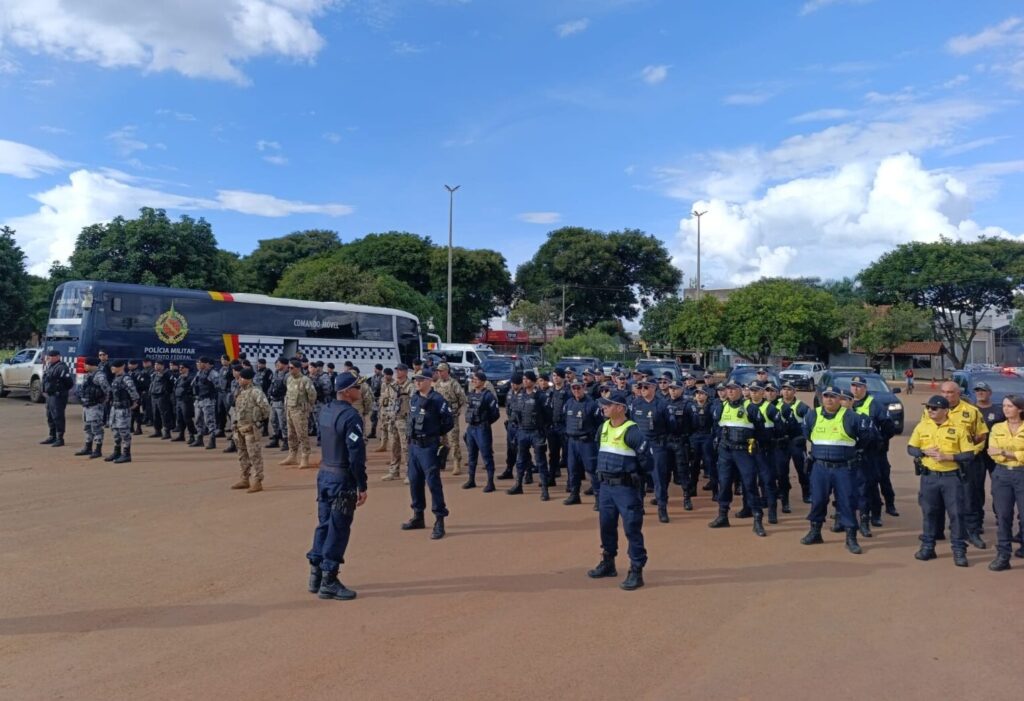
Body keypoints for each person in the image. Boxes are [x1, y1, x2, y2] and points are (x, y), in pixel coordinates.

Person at [307, 373, 369, 600]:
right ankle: (329, 580)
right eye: (356, 387)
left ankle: (315, 573)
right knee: (338, 528)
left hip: (325, 474)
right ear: (346, 391)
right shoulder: (351, 416)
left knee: (324, 524)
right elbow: (356, 455)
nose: (360, 391)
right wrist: (362, 484)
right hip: (341, 477)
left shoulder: (326, 410)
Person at [586, 389, 652, 591]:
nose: (603, 407)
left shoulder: (633, 431)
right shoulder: (603, 427)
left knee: (632, 528)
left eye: (608, 404)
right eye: (603, 404)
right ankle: (608, 562)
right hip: (606, 487)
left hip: (626, 488)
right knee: (606, 525)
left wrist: (634, 478)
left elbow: (647, 462)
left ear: (620, 408)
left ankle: (636, 569)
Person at [800, 386, 872, 554]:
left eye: (833, 396)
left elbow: (865, 438)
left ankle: (851, 538)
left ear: (840, 398)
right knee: (817, 500)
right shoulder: (812, 415)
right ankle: (815, 532)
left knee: (847, 502)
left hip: (844, 468)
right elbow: (807, 434)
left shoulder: (851, 417)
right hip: (820, 467)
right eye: (826, 396)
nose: (829, 399)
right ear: (821, 398)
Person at [907, 394, 976, 567]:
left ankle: (959, 550)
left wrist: (948, 456)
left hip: (951, 478)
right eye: (928, 408)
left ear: (945, 410)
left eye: (934, 408)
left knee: (956, 515)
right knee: (929, 513)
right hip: (929, 477)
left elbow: (969, 454)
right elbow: (911, 447)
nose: (930, 411)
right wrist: (923, 452)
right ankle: (928, 547)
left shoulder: (959, 429)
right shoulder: (923, 426)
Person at [708, 380, 767, 536]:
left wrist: (756, 444)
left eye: (734, 388)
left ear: (741, 390)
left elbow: (761, 430)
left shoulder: (750, 407)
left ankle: (757, 519)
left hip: (744, 452)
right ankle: (722, 516)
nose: (731, 391)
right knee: (724, 483)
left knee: (749, 484)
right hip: (725, 451)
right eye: (728, 389)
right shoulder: (721, 407)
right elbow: (716, 428)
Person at [401, 369, 454, 539]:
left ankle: (439, 520)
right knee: (414, 482)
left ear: (430, 381)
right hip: (414, 447)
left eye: (421, 379)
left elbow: (448, 422)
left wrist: (434, 433)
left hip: (429, 447)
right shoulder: (415, 397)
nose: (417, 382)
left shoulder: (438, 400)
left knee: (433, 483)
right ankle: (418, 516)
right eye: (416, 379)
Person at [938, 381, 989, 550]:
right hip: (943, 462)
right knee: (944, 498)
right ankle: (941, 530)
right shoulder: (932, 410)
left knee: (971, 498)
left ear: (958, 393)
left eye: (950, 392)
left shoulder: (971, 411)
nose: (946, 395)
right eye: (944, 392)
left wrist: (969, 453)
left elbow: (981, 435)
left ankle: (972, 532)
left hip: (968, 462)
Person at [849, 375, 896, 537]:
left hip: (873, 453)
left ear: (865, 388)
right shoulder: (846, 404)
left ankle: (875, 514)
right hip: (852, 452)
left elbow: (889, 427)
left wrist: (880, 442)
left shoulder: (874, 405)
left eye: (859, 386)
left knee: (873, 483)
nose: (856, 389)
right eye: (853, 386)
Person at [985, 394, 1024, 571]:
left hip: (1021, 474)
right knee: (1003, 516)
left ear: (1020, 409)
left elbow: (1000, 451)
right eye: (1004, 406)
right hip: (1001, 475)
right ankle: (1003, 556)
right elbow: (992, 451)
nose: (1005, 409)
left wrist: (1007, 453)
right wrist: (1016, 453)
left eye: (1010, 406)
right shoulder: (997, 427)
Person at [629, 376, 674, 523]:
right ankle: (639, 506)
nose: (642, 390)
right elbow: (631, 424)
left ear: (654, 388)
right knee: (638, 478)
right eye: (641, 387)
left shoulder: (662, 405)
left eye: (646, 387)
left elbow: (670, 426)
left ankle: (662, 508)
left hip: (657, 445)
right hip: (640, 446)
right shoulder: (635, 404)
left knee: (659, 479)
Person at [507, 371, 552, 500]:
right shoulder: (519, 396)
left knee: (540, 461)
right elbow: (514, 413)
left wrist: (543, 430)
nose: (525, 381)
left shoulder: (540, 396)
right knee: (520, 460)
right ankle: (518, 484)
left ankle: (544, 489)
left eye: (527, 379)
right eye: (524, 379)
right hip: (522, 431)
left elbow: (548, 415)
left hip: (536, 432)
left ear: (533, 381)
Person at [230, 368, 272, 493]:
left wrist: (257, 421)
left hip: (250, 429)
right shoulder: (240, 392)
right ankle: (244, 479)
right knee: (242, 455)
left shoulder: (256, 392)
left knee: (254, 455)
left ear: (248, 379)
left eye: (241, 378)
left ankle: (258, 481)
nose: (239, 380)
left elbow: (266, 409)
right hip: (239, 428)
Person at [564, 378, 603, 509]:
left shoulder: (592, 404)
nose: (576, 390)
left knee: (592, 470)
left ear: (583, 387)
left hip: (587, 442)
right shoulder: (568, 403)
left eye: (578, 387)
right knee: (573, 469)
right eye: (573, 388)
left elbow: (599, 425)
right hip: (572, 442)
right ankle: (575, 495)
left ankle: (598, 498)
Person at [463, 370, 500, 491]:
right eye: (473, 379)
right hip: (471, 428)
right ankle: (471, 479)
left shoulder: (488, 396)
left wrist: (485, 423)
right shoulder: (471, 394)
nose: (473, 381)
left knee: (486, 455)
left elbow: (495, 414)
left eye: (476, 379)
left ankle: (490, 482)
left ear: (483, 382)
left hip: (482, 428)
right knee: (471, 455)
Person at [281, 358, 318, 469]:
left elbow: (312, 395)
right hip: (289, 409)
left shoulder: (305, 380)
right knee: (291, 434)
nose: (289, 369)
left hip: (300, 411)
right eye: (289, 367)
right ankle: (292, 456)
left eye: (291, 368)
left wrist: (307, 407)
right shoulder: (289, 379)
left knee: (302, 434)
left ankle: (305, 457)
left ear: (298, 368)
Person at [778, 382, 810, 504]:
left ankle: (806, 493)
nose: (786, 392)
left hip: (797, 442)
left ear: (794, 391)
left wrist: (803, 437)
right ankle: (783, 492)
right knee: (781, 470)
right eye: (784, 389)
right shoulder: (776, 405)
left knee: (802, 469)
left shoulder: (802, 407)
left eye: (789, 389)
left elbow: (809, 426)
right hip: (782, 443)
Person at [665, 381, 695, 511]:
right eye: (671, 388)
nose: (673, 391)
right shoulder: (663, 403)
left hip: (681, 442)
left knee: (683, 471)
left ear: (682, 389)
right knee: (664, 471)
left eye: (676, 388)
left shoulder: (687, 405)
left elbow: (694, 424)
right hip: (666, 442)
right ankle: (662, 496)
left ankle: (687, 498)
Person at [434, 363, 467, 475]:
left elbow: (462, 398)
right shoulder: (437, 384)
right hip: (439, 417)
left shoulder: (454, 383)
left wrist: (457, 409)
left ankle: (457, 463)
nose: (439, 373)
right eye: (438, 371)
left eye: (441, 371)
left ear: (447, 371)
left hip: (451, 416)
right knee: (442, 441)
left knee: (453, 440)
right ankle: (441, 462)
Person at [74, 357, 109, 459]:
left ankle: (98, 450)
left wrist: (102, 401)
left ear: (92, 365)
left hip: (95, 406)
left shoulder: (100, 376)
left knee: (96, 428)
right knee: (87, 428)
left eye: (86, 364)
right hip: (87, 405)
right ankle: (88, 447)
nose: (84, 366)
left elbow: (107, 390)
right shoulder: (88, 375)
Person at [105, 359, 140, 463]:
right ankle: (117, 452)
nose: (112, 368)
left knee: (124, 432)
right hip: (115, 408)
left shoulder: (126, 379)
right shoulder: (116, 378)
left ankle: (126, 454)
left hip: (123, 409)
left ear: (121, 367)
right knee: (115, 430)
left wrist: (135, 403)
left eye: (114, 366)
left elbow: (133, 391)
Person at [384, 364, 414, 481]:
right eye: (397, 370)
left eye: (400, 370)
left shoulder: (410, 387)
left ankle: (409, 473)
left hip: (404, 420)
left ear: (406, 372)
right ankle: (394, 471)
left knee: (406, 447)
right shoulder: (392, 386)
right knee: (393, 447)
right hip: (392, 419)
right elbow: (385, 400)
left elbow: (414, 404)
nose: (398, 372)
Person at [40, 350, 73, 447]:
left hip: (58, 396)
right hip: (50, 396)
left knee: (58, 416)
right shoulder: (51, 366)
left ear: (57, 357)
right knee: (50, 416)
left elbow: (69, 383)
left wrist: (61, 391)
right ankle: (52, 436)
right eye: (48, 357)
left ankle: (60, 438)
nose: (48, 359)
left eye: (51, 357)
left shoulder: (61, 367)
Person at [192, 357, 219, 449]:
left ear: (206, 364)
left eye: (200, 363)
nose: (198, 364)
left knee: (209, 421)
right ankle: (199, 439)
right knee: (198, 420)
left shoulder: (213, 373)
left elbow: (218, 386)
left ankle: (212, 440)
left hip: (208, 400)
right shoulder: (199, 373)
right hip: (199, 399)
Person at [147, 359, 176, 439]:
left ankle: (167, 432)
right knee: (155, 414)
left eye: (158, 365)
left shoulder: (167, 373)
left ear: (162, 366)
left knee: (164, 414)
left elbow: (174, 382)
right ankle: (157, 431)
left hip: (162, 396)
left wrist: (168, 391)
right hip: (154, 396)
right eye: (155, 364)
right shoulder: (154, 374)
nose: (156, 366)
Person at [266, 357, 289, 451]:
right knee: (273, 420)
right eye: (277, 363)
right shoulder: (275, 373)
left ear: (285, 364)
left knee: (283, 422)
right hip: (274, 401)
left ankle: (286, 441)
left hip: (281, 402)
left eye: (279, 363)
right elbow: (271, 385)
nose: (277, 365)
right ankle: (275, 439)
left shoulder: (287, 375)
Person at [172, 363, 197, 444]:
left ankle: (192, 436)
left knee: (187, 418)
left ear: (187, 368)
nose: (180, 369)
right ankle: (181, 435)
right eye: (180, 367)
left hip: (186, 400)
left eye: (182, 368)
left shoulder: (191, 377)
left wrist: (186, 378)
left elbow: (191, 386)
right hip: (179, 400)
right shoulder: (180, 377)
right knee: (179, 419)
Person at [368, 363, 384, 439]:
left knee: (382, 418)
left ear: (380, 370)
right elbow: (371, 388)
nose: (374, 370)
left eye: (376, 369)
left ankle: (383, 435)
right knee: (373, 417)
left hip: (381, 401)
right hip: (375, 400)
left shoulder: (383, 378)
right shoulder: (373, 377)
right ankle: (373, 432)